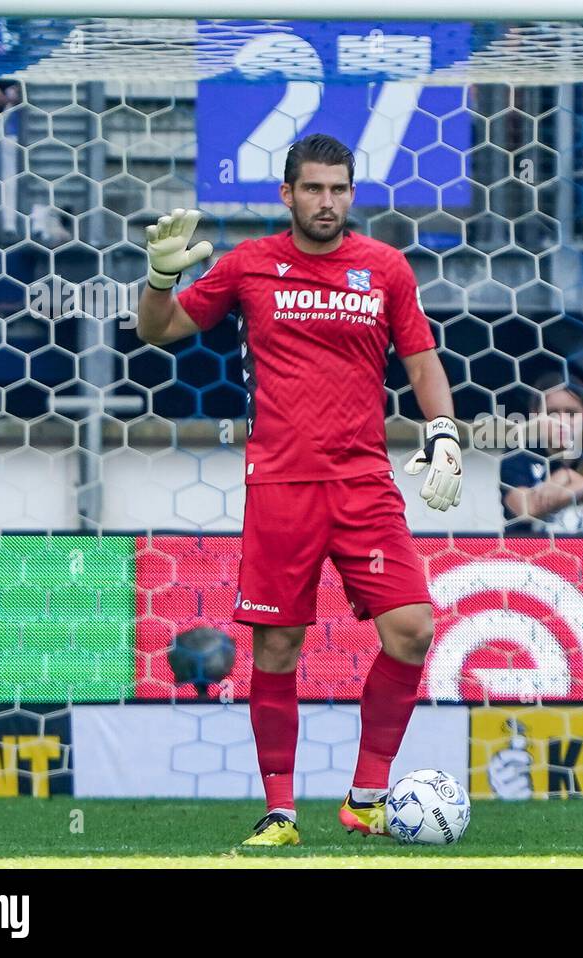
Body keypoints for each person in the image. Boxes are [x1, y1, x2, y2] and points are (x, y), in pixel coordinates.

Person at [135, 133, 462, 846]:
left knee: (413, 630)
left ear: (352, 193)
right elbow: (157, 332)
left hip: (364, 481)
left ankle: (367, 797)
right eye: (313, 188)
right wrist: (158, 280)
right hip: (281, 484)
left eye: (339, 189)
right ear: (287, 194)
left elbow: (422, 357)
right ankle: (281, 814)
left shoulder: (384, 268)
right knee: (278, 651)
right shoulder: (250, 265)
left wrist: (443, 431)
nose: (327, 201)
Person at [501, 376, 583, 532]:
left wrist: (572, 478)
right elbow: (527, 509)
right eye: (552, 413)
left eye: (572, 413)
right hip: (529, 552)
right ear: (535, 415)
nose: (562, 421)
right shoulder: (520, 455)